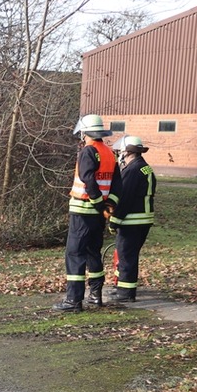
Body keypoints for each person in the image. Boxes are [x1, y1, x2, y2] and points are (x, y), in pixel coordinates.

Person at [53, 114, 122, 311]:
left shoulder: (87, 152)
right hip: (98, 216)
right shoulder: (109, 153)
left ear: (85, 133)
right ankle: (95, 296)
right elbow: (118, 185)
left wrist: (98, 203)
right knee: (93, 253)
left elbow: (88, 179)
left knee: (74, 254)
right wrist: (109, 205)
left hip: (82, 212)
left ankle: (73, 300)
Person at [109, 135, 156, 303]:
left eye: (120, 152)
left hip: (132, 221)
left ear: (126, 152)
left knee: (126, 255)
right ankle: (123, 288)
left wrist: (115, 220)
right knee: (129, 254)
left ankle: (126, 293)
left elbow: (125, 198)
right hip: (143, 220)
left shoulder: (132, 170)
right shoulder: (145, 168)